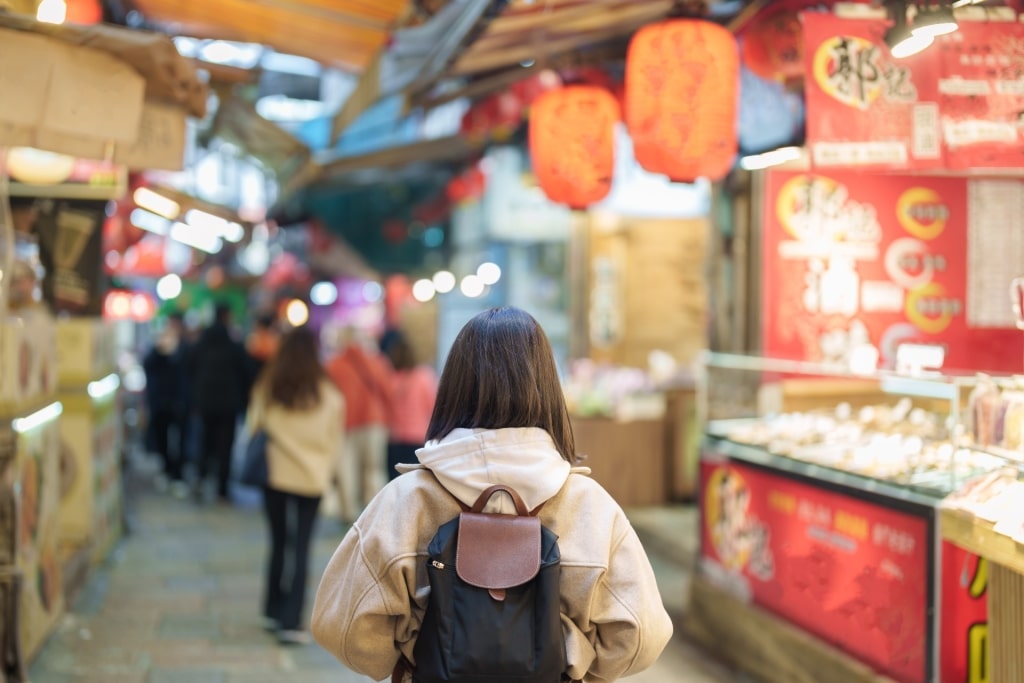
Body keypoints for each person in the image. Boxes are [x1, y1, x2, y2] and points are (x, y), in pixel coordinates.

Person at [311, 307, 673, 681]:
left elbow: (342, 629)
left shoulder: (405, 501)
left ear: (453, 385)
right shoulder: (589, 506)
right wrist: (565, 655)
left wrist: (414, 653)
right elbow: (642, 638)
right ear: (547, 385)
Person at [246, 326, 343, 646]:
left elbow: (253, 425)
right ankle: (291, 620)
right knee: (301, 547)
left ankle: (271, 608)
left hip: (275, 471)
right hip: (312, 478)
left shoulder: (269, 385)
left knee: (278, 541)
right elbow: (334, 439)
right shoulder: (328, 393)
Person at [324, 327, 392, 521]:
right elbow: (388, 391)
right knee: (374, 468)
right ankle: (375, 514)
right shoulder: (377, 362)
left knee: (346, 469)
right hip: (374, 422)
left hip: (343, 423)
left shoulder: (334, 365)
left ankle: (349, 513)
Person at [189, 303, 250, 502]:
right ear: (226, 317)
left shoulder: (201, 344)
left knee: (204, 443)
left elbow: (188, 368)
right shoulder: (234, 346)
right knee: (225, 447)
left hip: (204, 403)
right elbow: (246, 374)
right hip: (228, 405)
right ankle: (222, 490)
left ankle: (200, 478)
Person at [142, 315, 189, 497]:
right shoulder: (155, 351)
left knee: (181, 441)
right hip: (160, 403)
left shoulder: (185, 349)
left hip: (180, 403)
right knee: (162, 439)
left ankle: (177, 474)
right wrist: (159, 350)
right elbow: (148, 367)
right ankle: (167, 469)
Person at [383, 334, 437, 480]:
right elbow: (433, 408)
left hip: (393, 438)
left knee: (394, 482)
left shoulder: (388, 378)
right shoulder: (424, 376)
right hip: (418, 438)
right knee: (414, 482)